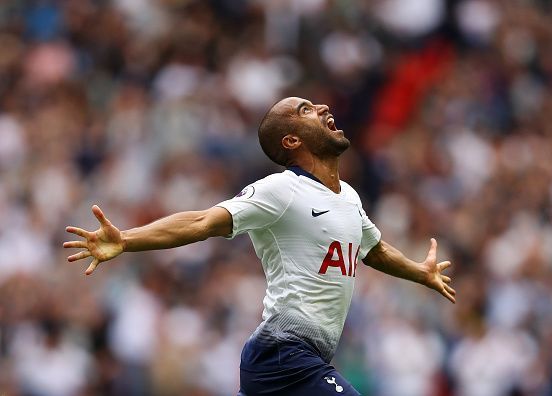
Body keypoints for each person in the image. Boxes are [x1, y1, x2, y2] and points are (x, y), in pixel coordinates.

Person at [64, 97, 456, 395]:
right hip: (283, 355)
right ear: (291, 139)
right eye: (305, 110)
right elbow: (203, 221)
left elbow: (375, 250)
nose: (321, 106)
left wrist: (419, 273)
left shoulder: (349, 196)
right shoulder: (282, 189)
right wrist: (128, 239)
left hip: (302, 360)